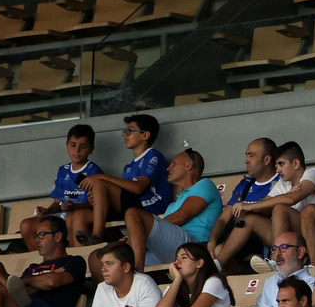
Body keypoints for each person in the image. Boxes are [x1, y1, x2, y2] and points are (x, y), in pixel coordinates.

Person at [78, 114, 172, 243]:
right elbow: (124, 195)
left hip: (151, 207)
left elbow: (138, 188)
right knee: (79, 215)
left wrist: (101, 177)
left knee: (100, 183)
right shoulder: (128, 167)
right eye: (125, 131)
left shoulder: (153, 156)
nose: (125, 135)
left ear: (145, 135)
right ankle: (84, 251)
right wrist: (99, 197)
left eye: (130, 130)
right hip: (132, 207)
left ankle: (96, 237)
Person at [0, 215, 87, 307]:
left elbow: (50, 282)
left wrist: (25, 281)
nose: (37, 240)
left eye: (42, 235)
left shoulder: (74, 262)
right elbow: (25, 290)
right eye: (36, 236)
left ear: (58, 236)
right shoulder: (32, 267)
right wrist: (34, 282)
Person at [124, 147, 223, 269]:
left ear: (188, 165)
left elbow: (181, 216)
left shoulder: (204, 184)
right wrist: (133, 237)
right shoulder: (173, 205)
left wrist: (143, 231)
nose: (168, 168)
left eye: (174, 163)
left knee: (133, 214)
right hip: (171, 249)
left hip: (193, 246)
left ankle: (138, 274)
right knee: (117, 258)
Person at [255, 143, 315, 268]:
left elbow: (292, 199)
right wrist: (248, 207)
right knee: (279, 209)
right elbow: (264, 205)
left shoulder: (314, 173)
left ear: (296, 163)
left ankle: (314, 267)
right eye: (276, 165)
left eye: (281, 164)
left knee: (308, 211)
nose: (277, 170)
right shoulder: (284, 183)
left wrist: (248, 206)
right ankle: (275, 262)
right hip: (307, 236)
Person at [23, 124, 103, 249]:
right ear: (67, 145)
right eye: (73, 145)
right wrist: (48, 210)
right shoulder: (63, 170)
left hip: (83, 214)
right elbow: (57, 202)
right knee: (26, 225)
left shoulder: (94, 171)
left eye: (83, 147)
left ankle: (77, 256)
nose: (77, 151)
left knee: (74, 217)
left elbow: (97, 204)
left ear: (91, 149)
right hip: (63, 216)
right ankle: (42, 260)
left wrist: (75, 207)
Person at [206, 138, 282, 269]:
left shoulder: (282, 180)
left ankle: (214, 270)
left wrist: (250, 208)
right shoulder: (245, 185)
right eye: (246, 155)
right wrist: (212, 241)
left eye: (251, 156)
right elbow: (223, 219)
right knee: (217, 250)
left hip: (269, 237)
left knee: (249, 219)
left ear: (267, 160)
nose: (246, 161)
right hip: (242, 238)